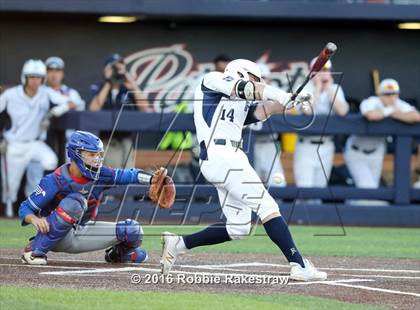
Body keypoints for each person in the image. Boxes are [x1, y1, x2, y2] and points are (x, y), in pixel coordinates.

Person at [159, 59, 327, 281]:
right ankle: (298, 264)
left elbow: (263, 109)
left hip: (227, 157)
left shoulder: (237, 103)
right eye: (256, 78)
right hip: (222, 155)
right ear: (240, 72)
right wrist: (280, 94)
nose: (258, 84)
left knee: (238, 227)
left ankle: (179, 244)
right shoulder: (213, 80)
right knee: (267, 207)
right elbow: (250, 89)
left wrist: (290, 100)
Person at [19, 130, 174, 265]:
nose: (96, 159)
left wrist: (151, 179)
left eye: (98, 155)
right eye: (91, 155)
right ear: (75, 154)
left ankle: (119, 255)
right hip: (56, 235)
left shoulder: (100, 174)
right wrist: (35, 220)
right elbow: (25, 208)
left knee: (133, 230)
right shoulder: (55, 180)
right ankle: (35, 250)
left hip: (83, 229)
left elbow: (126, 175)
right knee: (75, 202)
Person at [0, 59, 75, 214]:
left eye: (38, 77)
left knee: (50, 161)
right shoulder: (10, 94)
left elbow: (74, 101)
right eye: (31, 77)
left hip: (35, 143)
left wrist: (57, 110)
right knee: (10, 187)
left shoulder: (45, 93)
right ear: (24, 77)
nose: (35, 81)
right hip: (14, 144)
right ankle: (8, 212)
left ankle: (34, 200)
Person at [345, 79, 420, 188]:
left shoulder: (398, 103)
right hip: (356, 151)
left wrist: (391, 112)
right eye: (387, 94)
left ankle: (352, 203)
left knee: (372, 189)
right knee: (367, 187)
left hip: (377, 153)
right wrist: (390, 111)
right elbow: (371, 115)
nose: (391, 97)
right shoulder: (371, 101)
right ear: (379, 94)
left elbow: (416, 116)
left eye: (394, 94)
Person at [26, 56, 86, 192]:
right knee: (38, 178)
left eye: (57, 70)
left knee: (66, 176)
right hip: (42, 139)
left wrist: (59, 109)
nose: (54, 74)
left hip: (66, 143)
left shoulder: (70, 92)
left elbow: (78, 103)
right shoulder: (39, 91)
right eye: (50, 70)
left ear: (62, 73)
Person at [293, 58, 349, 194]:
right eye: (321, 70)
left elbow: (343, 111)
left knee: (320, 190)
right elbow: (307, 112)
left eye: (327, 70)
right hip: (305, 145)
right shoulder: (304, 88)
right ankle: (302, 216)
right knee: (304, 189)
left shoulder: (335, 88)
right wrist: (317, 88)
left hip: (327, 145)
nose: (325, 73)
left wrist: (329, 89)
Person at [89, 53, 153, 168]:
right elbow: (93, 108)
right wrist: (109, 82)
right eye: (114, 67)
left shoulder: (128, 88)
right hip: (106, 139)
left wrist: (133, 85)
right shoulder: (99, 87)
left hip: (126, 138)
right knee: (112, 172)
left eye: (120, 67)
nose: (117, 70)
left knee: (127, 173)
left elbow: (145, 108)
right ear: (106, 70)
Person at [251, 62, 286, 187]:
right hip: (250, 145)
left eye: (264, 78)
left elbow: (292, 110)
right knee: (250, 186)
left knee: (277, 184)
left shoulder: (276, 94)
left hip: (270, 144)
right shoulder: (245, 96)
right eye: (258, 78)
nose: (261, 81)